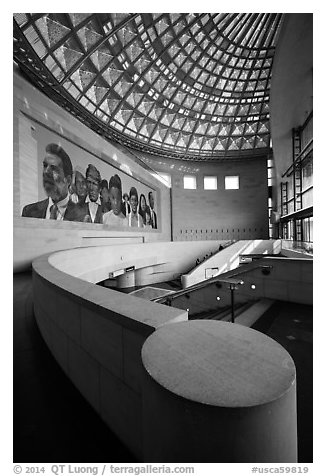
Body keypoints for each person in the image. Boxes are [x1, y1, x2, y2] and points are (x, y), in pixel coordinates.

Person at [22, 143, 77, 220]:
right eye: (45, 166)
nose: (46, 172)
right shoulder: (29, 212)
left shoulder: (81, 215)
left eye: (54, 168)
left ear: (68, 180)